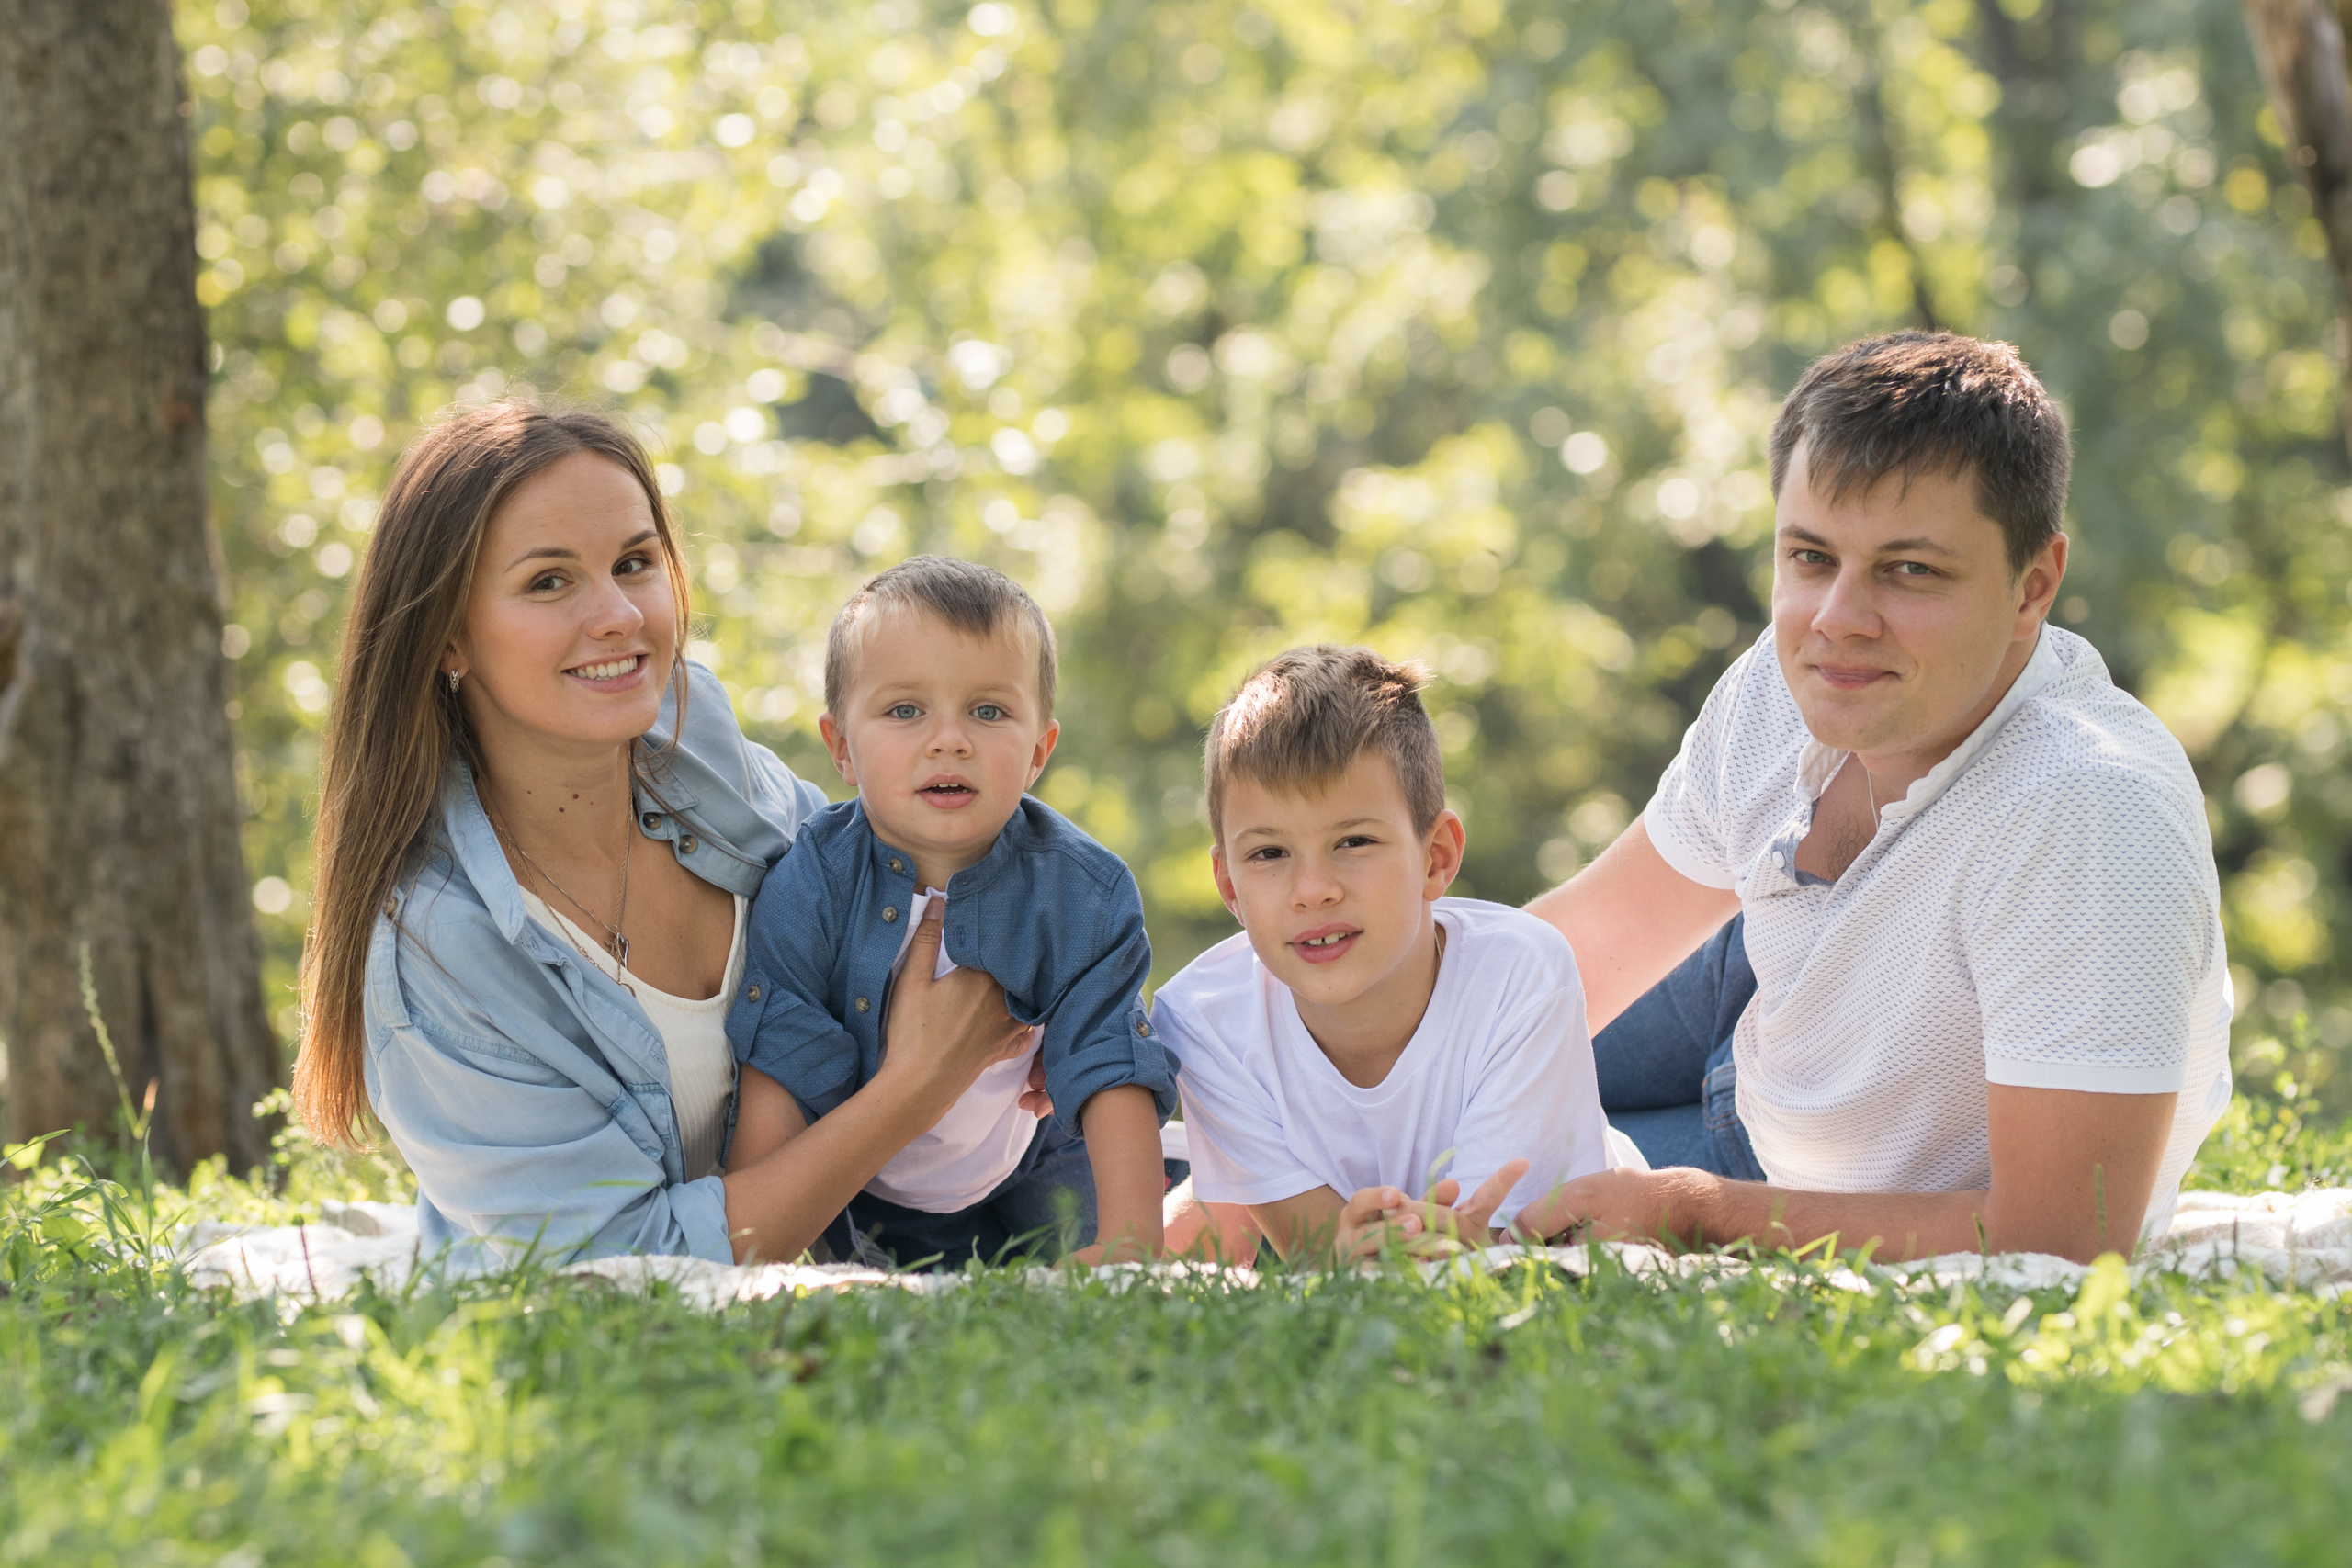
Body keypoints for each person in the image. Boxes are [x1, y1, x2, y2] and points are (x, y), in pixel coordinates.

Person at [1517, 332, 2233, 1264]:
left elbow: (2059, 1237)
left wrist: (1696, 1213)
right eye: (1811, 557)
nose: (1838, 621)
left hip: (1801, 1178)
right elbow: (1559, 961)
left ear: (2033, 587)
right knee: (1417, 1045)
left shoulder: (2090, 812)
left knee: (1520, 1197)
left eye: (1909, 570)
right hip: (1746, 976)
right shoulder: (1789, 680)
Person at [292, 402, 1035, 1272]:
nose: (618, 614)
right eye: (549, 581)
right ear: (449, 637)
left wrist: (1038, 1000)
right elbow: (629, 1265)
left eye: (634, 563)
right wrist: (916, 1086)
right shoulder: (438, 945)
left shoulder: (697, 739)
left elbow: (896, 886)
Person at [725, 557, 1175, 1269]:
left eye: (988, 711)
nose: (950, 739)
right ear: (841, 746)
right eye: (906, 710)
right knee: (878, 1297)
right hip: (864, 1185)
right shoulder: (812, 884)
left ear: (1038, 750)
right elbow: (782, 1062)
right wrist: (755, 1249)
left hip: (1030, 1156)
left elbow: (1109, 1059)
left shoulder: (1081, 890)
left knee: (1079, 1271)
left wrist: (1129, 1242)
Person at [1152, 646, 1618, 1265]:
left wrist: (1412, 1252)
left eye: (1354, 841)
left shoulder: (1521, 971)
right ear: (1229, 885)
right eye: (1269, 853)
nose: (1313, 889)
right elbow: (1324, 1258)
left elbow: (1495, 1251)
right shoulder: (1202, 1020)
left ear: (1436, 858)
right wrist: (1353, 1250)